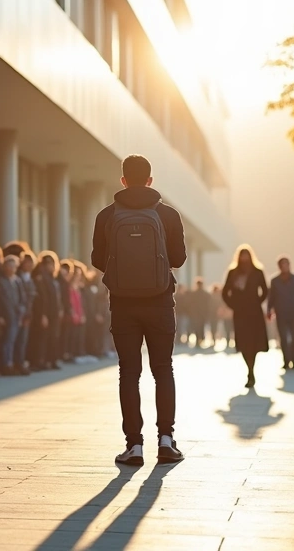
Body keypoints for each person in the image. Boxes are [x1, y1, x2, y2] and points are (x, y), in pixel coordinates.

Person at [91, 154, 187, 466]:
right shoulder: (168, 215)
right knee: (163, 370)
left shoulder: (107, 215)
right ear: (150, 180)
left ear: (122, 180)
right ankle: (166, 440)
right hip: (160, 302)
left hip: (122, 304)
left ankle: (134, 445)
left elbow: (96, 259)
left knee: (129, 373)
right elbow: (179, 258)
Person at [222, 246, 270, 389]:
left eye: (246, 255)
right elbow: (225, 292)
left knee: (254, 343)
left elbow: (265, 290)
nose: (244, 259)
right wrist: (234, 305)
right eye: (242, 256)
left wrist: (257, 302)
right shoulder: (233, 273)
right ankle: (249, 370)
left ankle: (251, 371)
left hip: (254, 313)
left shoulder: (257, 272)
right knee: (243, 343)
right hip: (240, 313)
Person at [267, 257, 294, 370]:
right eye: (282, 264)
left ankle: (293, 360)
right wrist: (269, 310)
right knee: (283, 338)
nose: (284, 266)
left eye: (286, 264)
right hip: (280, 313)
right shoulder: (274, 281)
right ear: (279, 266)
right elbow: (271, 297)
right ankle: (286, 360)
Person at [185, 279, 212, 349]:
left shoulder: (194, 294)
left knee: (198, 327)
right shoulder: (205, 294)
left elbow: (189, 304)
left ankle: (199, 340)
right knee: (200, 327)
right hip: (200, 314)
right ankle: (200, 339)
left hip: (196, 314)